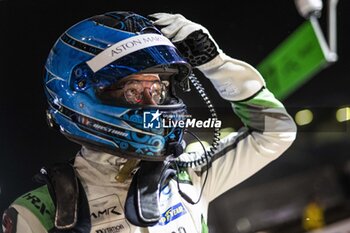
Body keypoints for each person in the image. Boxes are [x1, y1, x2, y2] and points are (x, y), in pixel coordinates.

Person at [1, 11, 297, 233]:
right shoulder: (36, 214)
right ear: (82, 97)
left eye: (156, 89)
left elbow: (276, 131)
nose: (152, 103)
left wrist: (217, 64)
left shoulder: (189, 172)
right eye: (132, 90)